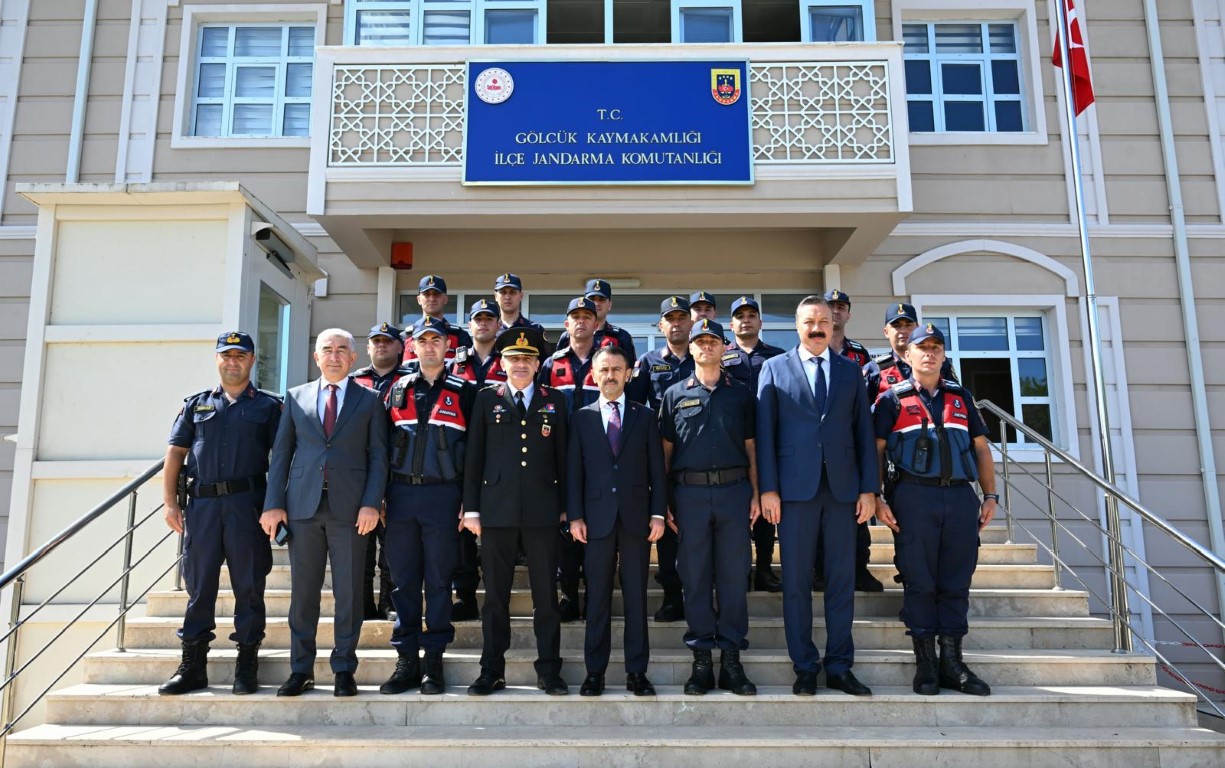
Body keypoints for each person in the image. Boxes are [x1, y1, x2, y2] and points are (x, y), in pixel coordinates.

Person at [756, 296, 879, 697]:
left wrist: (868, 489)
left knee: (841, 581)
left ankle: (840, 666)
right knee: (795, 582)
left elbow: (863, 434)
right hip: (794, 492)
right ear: (797, 326)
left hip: (843, 492)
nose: (817, 328)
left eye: (823, 321)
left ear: (833, 325)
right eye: (809, 321)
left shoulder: (850, 371)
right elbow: (765, 436)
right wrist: (768, 489)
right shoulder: (773, 369)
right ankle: (805, 665)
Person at [261, 329, 389, 698]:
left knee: (349, 593)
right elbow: (282, 454)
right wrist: (273, 504)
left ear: (352, 358)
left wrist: (371, 502)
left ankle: (344, 669)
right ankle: (300, 669)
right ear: (316, 358)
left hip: (351, 511)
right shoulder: (296, 397)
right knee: (304, 594)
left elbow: (378, 456)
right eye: (327, 350)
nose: (334, 356)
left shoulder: (370, 400)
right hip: (302, 507)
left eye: (341, 350)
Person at [872, 323, 997, 697]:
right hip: (913, 496)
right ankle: (925, 661)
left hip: (960, 498)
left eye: (936, 347)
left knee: (956, 580)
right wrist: (877, 496)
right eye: (921, 347)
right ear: (906, 355)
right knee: (919, 579)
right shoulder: (890, 399)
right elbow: (876, 451)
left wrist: (990, 496)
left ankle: (953, 663)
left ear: (944, 355)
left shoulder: (961, 398)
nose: (929, 353)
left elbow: (981, 449)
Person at [158, 331, 281, 696]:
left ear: (252, 360)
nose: (233, 362)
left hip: (248, 505)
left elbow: (283, 460)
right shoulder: (195, 405)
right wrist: (170, 502)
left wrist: (277, 505)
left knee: (249, 586)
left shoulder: (269, 407)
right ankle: (192, 666)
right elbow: (175, 455)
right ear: (216, 360)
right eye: (226, 356)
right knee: (199, 588)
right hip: (204, 507)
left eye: (240, 356)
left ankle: (247, 663)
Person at [462, 327, 570, 697]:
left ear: (538, 364)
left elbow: (564, 460)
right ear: (502, 363)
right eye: (513, 359)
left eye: (527, 359)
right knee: (495, 597)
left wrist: (567, 508)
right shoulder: (485, 399)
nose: (520, 364)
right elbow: (474, 458)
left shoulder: (554, 400)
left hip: (543, 511)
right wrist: (472, 509)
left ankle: (549, 670)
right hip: (496, 512)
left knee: (546, 597)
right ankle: (491, 669)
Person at [660, 318, 759, 696]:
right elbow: (665, 453)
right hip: (689, 496)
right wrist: (664, 501)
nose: (705, 347)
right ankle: (701, 660)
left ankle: (732, 659)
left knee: (734, 576)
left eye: (712, 341)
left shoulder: (741, 394)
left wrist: (755, 492)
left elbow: (752, 448)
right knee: (695, 576)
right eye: (700, 341)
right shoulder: (674, 395)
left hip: (734, 492)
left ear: (723, 347)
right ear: (695, 347)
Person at [379, 317, 477, 695]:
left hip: (444, 496)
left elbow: (475, 453)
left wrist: (470, 501)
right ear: (413, 347)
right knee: (403, 583)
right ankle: (406, 661)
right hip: (401, 497)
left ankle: (433, 662)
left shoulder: (465, 390)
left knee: (438, 582)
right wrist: (378, 496)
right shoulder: (395, 389)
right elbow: (379, 447)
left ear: (447, 346)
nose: (430, 346)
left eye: (437, 340)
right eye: (424, 341)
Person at [566, 345, 666, 696]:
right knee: (597, 599)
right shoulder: (581, 417)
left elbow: (657, 469)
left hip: (637, 518)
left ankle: (637, 673)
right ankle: (595, 673)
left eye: (616, 369)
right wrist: (575, 515)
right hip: (594, 520)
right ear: (593, 374)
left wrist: (658, 512)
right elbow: (573, 472)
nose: (609, 376)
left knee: (637, 597)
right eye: (603, 370)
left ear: (629, 373)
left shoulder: (645, 416)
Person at [626, 296, 695, 623]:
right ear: (661, 325)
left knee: (697, 533)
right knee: (667, 533)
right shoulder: (647, 363)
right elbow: (633, 411)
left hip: (697, 458)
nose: (677, 323)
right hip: (660, 460)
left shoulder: (703, 356)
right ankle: (671, 597)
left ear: (691, 322)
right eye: (671, 318)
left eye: (682, 317)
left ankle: (698, 596)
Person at [813, 290, 883, 594]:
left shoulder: (860, 355)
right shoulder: (808, 351)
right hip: (815, 451)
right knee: (816, 517)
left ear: (847, 315)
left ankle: (860, 568)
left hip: (850, 446)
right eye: (831, 308)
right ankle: (819, 570)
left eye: (841, 307)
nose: (836, 313)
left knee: (857, 515)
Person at [540, 297, 603, 622]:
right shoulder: (552, 364)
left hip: (600, 458)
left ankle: (594, 595)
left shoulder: (607, 361)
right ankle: (567, 594)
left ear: (596, 323)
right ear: (567, 324)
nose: (581, 322)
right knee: (563, 529)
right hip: (561, 457)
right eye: (575, 316)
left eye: (587, 317)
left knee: (596, 526)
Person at [448, 298, 506, 622]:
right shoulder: (455, 364)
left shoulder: (509, 359)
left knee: (498, 525)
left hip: (500, 453)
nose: (483, 323)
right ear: (469, 325)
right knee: (463, 530)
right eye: (478, 318)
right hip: (461, 454)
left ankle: (498, 594)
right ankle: (466, 595)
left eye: (489, 318)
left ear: (499, 324)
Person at [723, 296, 785, 592]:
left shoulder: (777, 357)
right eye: (740, 316)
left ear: (760, 322)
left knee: (766, 508)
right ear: (731, 324)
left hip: (766, 441)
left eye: (751, 315)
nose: (746, 320)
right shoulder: (720, 357)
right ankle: (739, 570)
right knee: (736, 510)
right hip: (731, 443)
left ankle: (763, 568)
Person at [352, 322, 412, 621]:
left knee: (393, 545)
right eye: (376, 341)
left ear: (400, 347)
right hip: (359, 470)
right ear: (367, 347)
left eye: (388, 341)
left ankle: (389, 601)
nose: (382, 346)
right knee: (361, 544)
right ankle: (363, 602)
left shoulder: (410, 381)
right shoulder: (354, 381)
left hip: (398, 467)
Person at [866, 302, 958, 401]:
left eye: (908, 325)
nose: (903, 330)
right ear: (886, 332)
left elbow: (956, 398)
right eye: (896, 325)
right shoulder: (874, 369)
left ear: (917, 327)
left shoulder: (939, 363)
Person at [556, 278, 636, 364]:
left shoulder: (621, 336)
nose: (596, 303)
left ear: (609, 305)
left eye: (601, 299)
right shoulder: (567, 337)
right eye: (592, 299)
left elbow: (630, 371)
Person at [402, 274, 473, 365]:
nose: (432, 298)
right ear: (419, 299)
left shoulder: (459, 335)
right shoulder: (405, 336)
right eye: (427, 294)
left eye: (436, 294)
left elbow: (463, 370)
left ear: (445, 299)